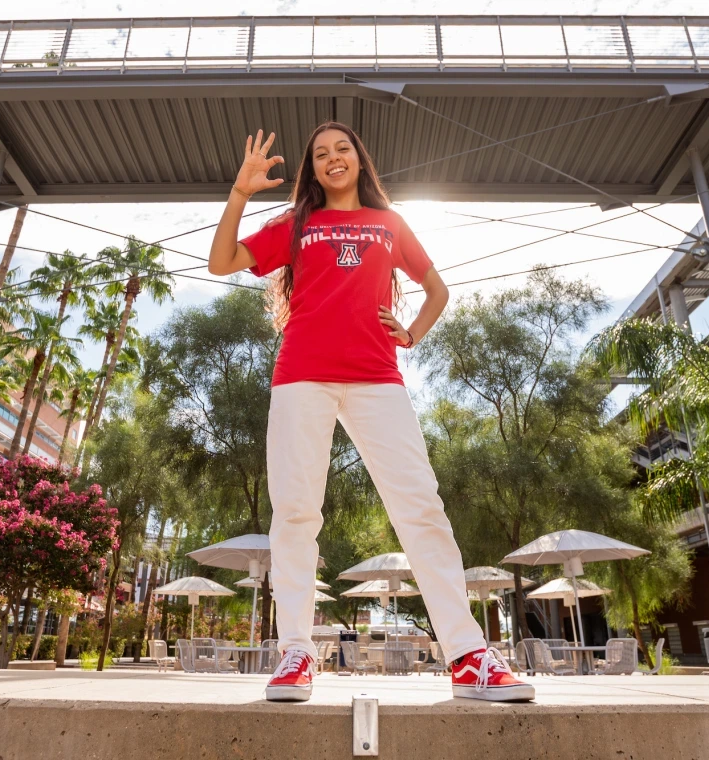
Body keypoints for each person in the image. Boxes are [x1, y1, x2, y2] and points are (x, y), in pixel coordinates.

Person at [209, 123, 534, 703]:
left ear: (360, 159)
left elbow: (438, 289)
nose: (333, 159)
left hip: (377, 377)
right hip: (300, 376)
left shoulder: (391, 225)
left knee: (421, 509)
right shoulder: (295, 224)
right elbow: (221, 261)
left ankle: (467, 655)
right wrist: (240, 193)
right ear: (312, 169)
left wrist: (410, 333)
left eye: (343, 150)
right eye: (321, 154)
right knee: (295, 516)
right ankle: (296, 655)